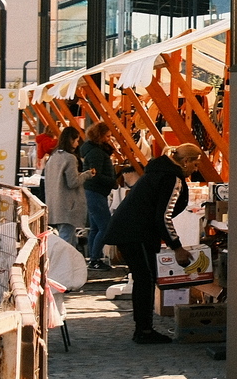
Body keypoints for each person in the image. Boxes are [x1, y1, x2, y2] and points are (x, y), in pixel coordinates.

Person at [102, 142, 202, 344]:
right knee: (145, 278)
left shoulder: (159, 172)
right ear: (185, 162)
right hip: (136, 232)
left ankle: (143, 327)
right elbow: (163, 216)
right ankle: (144, 330)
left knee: (143, 278)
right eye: (195, 163)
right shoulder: (172, 178)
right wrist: (177, 247)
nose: (196, 169)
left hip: (131, 230)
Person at [41, 126, 91, 253]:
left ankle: (70, 265)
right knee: (66, 239)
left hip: (55, 204)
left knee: (68, 238)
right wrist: (87, 174)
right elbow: (73, 182)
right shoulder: (70, 158)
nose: (77, 143)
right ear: (71, 140)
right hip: (69, 206)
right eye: (76, 140)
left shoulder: (53, 157)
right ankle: (63, 266)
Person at [78, 121, 118, 270]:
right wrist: (112, 181)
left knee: (96, 228)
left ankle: (94, 258)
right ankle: (95, 259)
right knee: (105, 227)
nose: (109, 138)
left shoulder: (93, 150)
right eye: (107, 136)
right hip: (95, 192)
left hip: (94, 192)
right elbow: (95, 174)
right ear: (100, 136)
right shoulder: (96, 152)